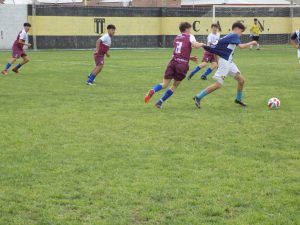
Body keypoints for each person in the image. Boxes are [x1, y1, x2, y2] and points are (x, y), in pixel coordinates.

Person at [193, 21, 257, 108]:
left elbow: (217, 48)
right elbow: (241, 47)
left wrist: (216, 60)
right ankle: (198, 97)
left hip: (229, 62)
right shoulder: (234, 35)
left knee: (241, 80)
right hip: (225, 62)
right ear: (237, 29)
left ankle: (238, 99)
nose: (241, 34)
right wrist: (252, 42)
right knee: (218, 84)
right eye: (241, 31)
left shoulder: (230, 36)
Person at [144, 22, 204, 109]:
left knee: (164, 84)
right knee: (175, 85)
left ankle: (153, 90)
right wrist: (202, 44)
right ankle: (159, 102)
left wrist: (189, 58)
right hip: (182, 65)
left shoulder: (177, 38)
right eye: (190, 29)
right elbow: (195, 45)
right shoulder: (190, 36)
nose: (190, 30)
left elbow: (176, 53)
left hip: (173, 62)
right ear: (187, 29)